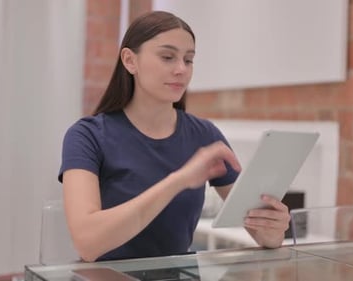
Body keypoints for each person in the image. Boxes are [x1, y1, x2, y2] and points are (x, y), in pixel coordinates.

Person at [58, 10, 290, 262]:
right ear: (129, 60)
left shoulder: (205, 135)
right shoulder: (86, 136)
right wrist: (179, 180)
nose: (181, 69)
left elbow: (262, 235)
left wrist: (273, 230)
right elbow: (87, 243)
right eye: (167, 57)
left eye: (188, 60)